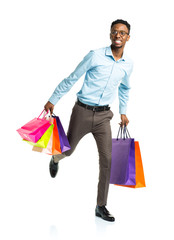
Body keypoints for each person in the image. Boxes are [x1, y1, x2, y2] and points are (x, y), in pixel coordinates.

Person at [44, 19, 133, 222]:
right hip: (82, 111)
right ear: (110, 34)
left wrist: (123, 112)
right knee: (68, 150)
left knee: (107, 160)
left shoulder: (128, 65)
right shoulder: (95, 55)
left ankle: (100, 206)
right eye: (114, 32)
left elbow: (125, 88)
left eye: (122, 32)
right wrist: (53, 99)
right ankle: (56, 158)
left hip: (104, 117)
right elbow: (73, 77)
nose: (118, 35)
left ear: (128, 37)